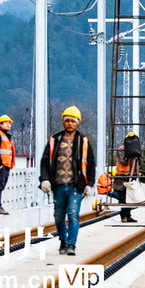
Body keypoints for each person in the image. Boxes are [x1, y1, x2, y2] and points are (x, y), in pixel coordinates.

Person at [39, 106, 92, 255]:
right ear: (63, 122)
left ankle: (71, 244)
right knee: (58, 216)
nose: (69, 123)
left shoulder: (83, 142)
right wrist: (44, 179)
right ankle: (63, 239)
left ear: (77, 123)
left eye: (72, 121)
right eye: (67, 121)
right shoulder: (54, 140)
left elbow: (91, 164)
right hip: (58, 185)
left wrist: (89, 184)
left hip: (76, 185)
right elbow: (45, 161)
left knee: (73, 214)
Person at [112, 134, 140, 223]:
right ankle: (123, 216)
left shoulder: (137, 151)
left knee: (130, 197)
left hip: (132, 176)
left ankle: (128, 215)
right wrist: (130, 152)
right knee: (123, 198)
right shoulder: (121, 149)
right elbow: (123, 161)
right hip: (121, 177)